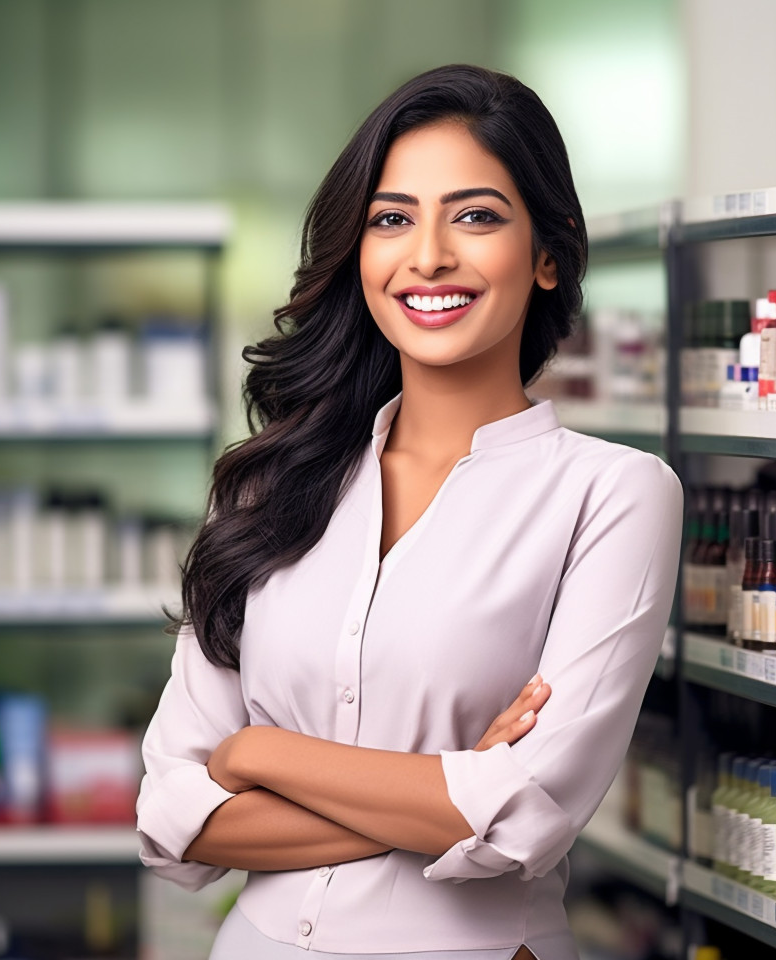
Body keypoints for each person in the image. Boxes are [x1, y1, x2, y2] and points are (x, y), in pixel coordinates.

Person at [136, 63, 683, 960]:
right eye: (392, 219)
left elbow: (522, 817)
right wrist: (444, 791)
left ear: (548, 254)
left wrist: (258, 757)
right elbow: (172, 819)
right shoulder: (270, 486)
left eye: (476, 216)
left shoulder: (614, 496)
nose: (427, 256)